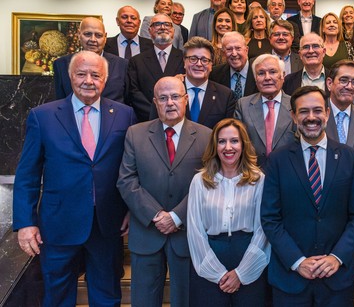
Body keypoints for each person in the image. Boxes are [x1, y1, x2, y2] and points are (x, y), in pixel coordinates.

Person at [14, 50, 137, 306]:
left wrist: (129, 209)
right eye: (81, 74)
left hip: (106, 223)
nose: (88, 80)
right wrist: (25, 222)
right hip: (58, 224)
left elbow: (130, 168)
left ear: (105, 80)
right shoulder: (43, 116)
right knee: (57, 296)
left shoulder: (125, 114)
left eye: (96, 75)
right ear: (70, 77)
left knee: (107, 294)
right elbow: (27, 175)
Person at [261, 85, 354, 306]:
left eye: (318, 110)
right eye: (303, 111)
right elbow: (270, 218)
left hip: (336, 278)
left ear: (328, 113)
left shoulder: (349, 157)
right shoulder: (277, 160)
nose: (311, 117)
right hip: (290, 277)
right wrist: (297, 261)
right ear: (293, 116)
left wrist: (336, 257)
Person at [118, 76, 211, 306]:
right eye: (163, 98)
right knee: (144, 301)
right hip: (147, 232)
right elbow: (126, 180)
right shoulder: (135, 134)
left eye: (175, 96)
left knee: (187, 300)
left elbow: (209, 182)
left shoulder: (207, 136)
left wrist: (177, 216)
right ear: (155, 102)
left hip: (187, 235)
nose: (170, 102)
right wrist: (156, 215)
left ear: (186, 99)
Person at [187, 118, 270, 306]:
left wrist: (242, 273)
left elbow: (262, 230)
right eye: (222, 141)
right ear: (215, 146)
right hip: (210, 257)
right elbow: (195, 231)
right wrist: (217, 273)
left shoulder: (258, 180)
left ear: (243, 144)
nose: (228, 147)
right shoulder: (200, 181)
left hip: (249, 255)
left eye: (234, 140)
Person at [234, 54, 295, 167]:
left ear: (283, 76)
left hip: (288, 170)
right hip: (252, 173)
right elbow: (237, 141)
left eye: (272, 72)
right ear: (255, 79)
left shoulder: (295, 105)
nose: (267, 77)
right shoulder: (243, 105)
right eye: (261, 73)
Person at [54, 17, 128, 103]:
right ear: (79, 35)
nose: (93, 39)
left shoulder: (122, 65)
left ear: (105, 37)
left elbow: (127, 100)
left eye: (98, 35)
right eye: (88, 34)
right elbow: (59, 102)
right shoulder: (61, 64)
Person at [127, 13, 185, 122]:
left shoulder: (185, 59)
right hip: (147, 120)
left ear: (173, 30)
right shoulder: (136, 61)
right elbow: (134, 93)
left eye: (167, 24)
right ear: (149, 31)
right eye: (157, 24)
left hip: (178, 120)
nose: (162, 27)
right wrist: (156, 112)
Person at [171, 36, 236, 129]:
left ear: (211, 65)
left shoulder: (226, 96)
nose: (199, 64)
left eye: (204, 60)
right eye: (193, 59)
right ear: (184, 62)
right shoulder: (169, 91)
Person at [210, 31, 258, 100]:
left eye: (238, 48)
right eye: (229, 49)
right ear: (224, 53)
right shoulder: (215, 74)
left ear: (246, 50)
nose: (234, 54)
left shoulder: (259, 72)